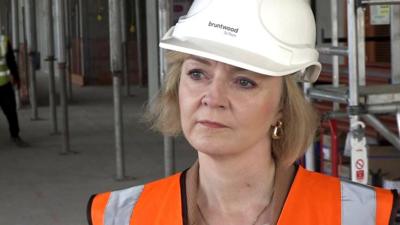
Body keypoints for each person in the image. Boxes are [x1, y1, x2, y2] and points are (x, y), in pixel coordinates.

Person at [88, 0, 398, 224]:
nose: (213, 98)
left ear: (282, 107)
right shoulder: (122, 216)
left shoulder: (358, 215)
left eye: (244, 81)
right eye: (197, 73)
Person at [0, 31, 26, 147]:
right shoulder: (3, 40)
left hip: (4, 83)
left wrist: (16, 77)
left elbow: (10, 60)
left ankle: (15, 135)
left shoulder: (3, 40)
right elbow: (11, 61)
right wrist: (16, 77)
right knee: (11, 111)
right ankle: (15, 136)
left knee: (11, 111)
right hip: (4, 84)